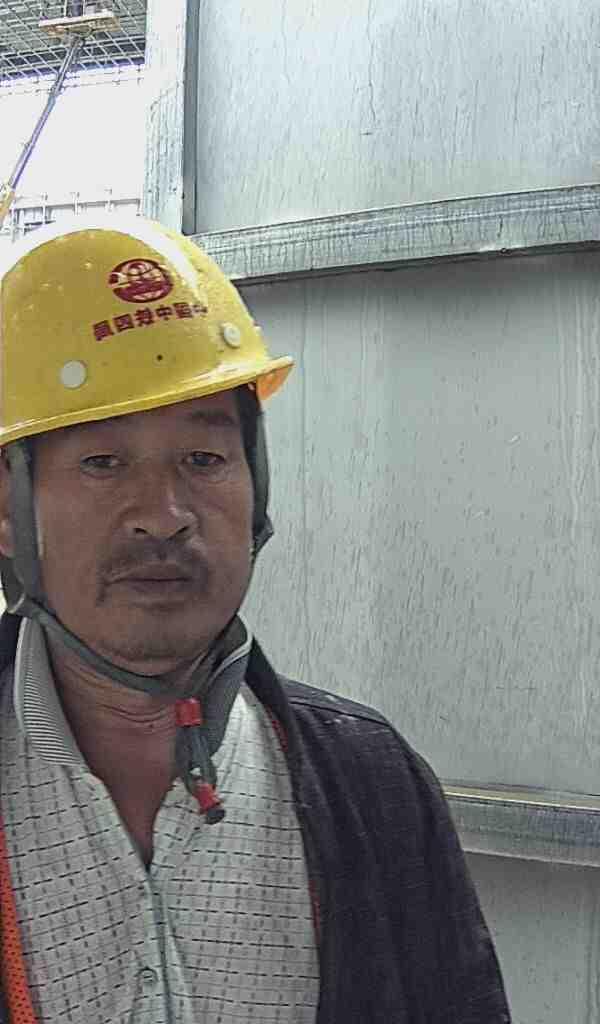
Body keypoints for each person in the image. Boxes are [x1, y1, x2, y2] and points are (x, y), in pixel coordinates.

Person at [0, 216, 511, 1023]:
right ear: (8, 511)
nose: (164, 515)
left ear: (256, 489)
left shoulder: (371, 786)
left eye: (204, 459)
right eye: (102, 462)